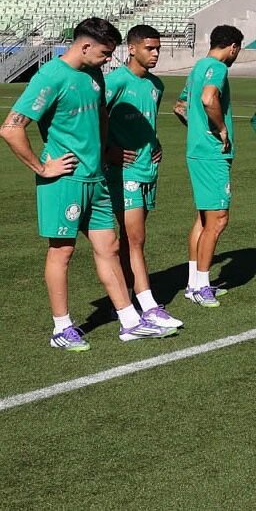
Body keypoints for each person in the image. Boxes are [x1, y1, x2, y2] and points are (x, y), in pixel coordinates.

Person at [2, 17, 177, 350]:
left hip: (96, 178)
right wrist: (41, 167)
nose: (108, 59)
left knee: (109, 246)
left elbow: (100, 114)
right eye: (104, 53)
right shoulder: (51, 76)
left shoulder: (94, 74)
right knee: (62, 251)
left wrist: (105, 150)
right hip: (65, 180)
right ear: (84, 46)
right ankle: (61, 328)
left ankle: (129, 322)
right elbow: (11, 128)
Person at [105, 24, 181, 329]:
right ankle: (148, 305)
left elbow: (146, 122)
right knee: (136, 239)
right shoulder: (114, 82)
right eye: (150, 48)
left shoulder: (156, 85)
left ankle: (122, 300)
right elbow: (93, 119)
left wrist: (155, 143)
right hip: (123, 171)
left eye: (158, 48)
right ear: (131, 48)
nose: (155, 54)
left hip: (149, 168)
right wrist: (106, 150)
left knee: (130, 240)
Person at [175, 24, 243, 307]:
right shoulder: (217, 68)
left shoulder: (197, 68)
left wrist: (198, 129)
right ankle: (202, 285)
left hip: (197, 151)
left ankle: (194, 282)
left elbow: (179, 107)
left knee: (203, 219)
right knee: (218, 220)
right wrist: (219, 128)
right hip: (212, 154)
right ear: (233, 47)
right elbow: (208, 98)